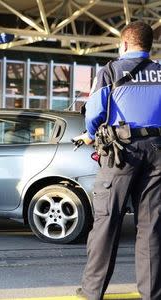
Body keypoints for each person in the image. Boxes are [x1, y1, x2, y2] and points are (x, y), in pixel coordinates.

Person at [74, 21, 161, 300]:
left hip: (120, 152)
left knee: (106, 222)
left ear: (124, 44)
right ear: (149, 46)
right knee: (151, 226)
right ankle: (152, 294)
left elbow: (94, 113)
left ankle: (92, 292)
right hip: (157, 152)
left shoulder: (111, 70)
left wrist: (89, 135)